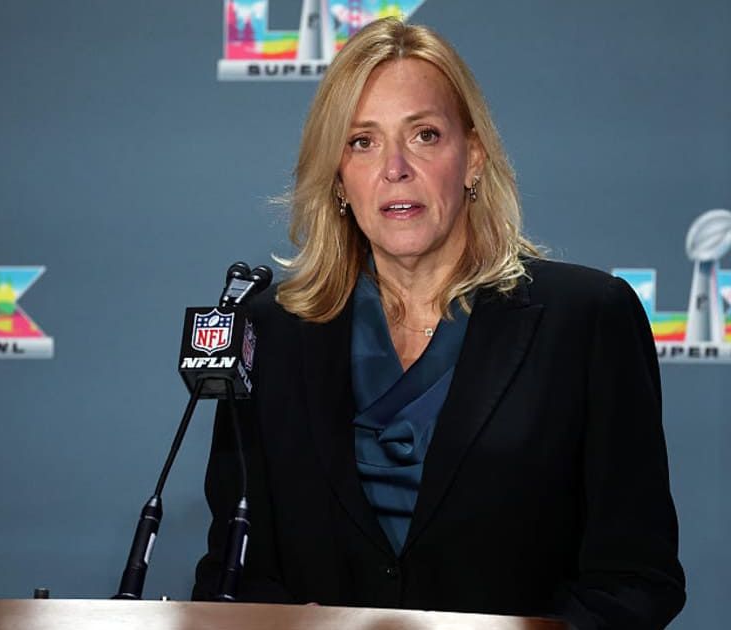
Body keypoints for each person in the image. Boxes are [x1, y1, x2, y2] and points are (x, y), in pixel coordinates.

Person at [193, 17, 685, 629]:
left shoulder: (586, 320)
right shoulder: (269, 332)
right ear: (338, 177)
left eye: (424, 135)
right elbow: (231, 571)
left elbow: (636, 580)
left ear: (473, 159)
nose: (395, 167)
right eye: (362, 141)